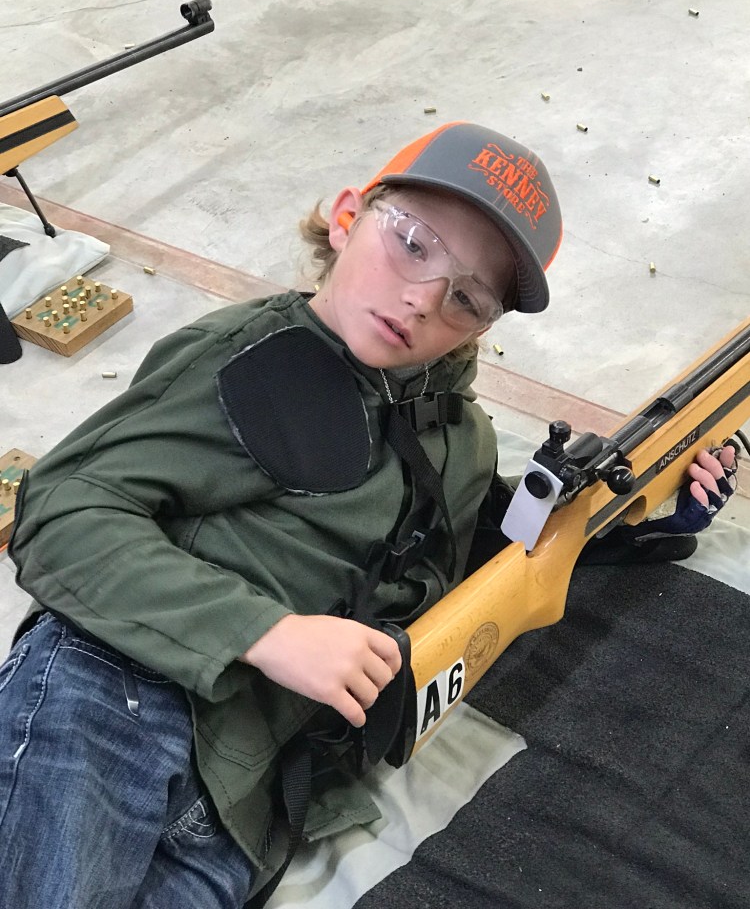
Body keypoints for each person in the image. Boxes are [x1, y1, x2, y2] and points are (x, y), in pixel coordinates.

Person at [0, 122, 737, 909]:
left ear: (484, 327)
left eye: (466, 298)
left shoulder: (460, 432)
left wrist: (641, 512)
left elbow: (487, 548)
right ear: (348, 216)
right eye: (412, 244)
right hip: (119, 699)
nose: (422, 300)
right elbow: (62, 508)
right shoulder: (251, 360)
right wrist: (268, 633)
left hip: (241, 804)